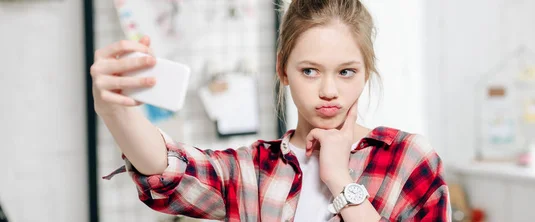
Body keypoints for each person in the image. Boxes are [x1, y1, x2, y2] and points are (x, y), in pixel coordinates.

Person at [96, 0, 449, 221]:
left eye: (346, 72)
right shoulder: (254, 171)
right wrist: (113, 109)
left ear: (366, 71)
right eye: (309, 70)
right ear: (283, 69)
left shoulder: (408, 160)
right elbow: (168, 169)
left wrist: (339, 179)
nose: (328, 91)